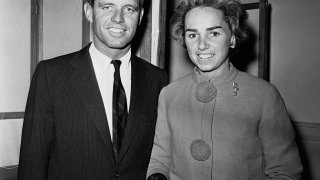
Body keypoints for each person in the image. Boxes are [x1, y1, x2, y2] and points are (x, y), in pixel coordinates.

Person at [147, 0, 302, 179]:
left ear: (233, 38)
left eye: (213, 33)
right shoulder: (169, 94)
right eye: (192, 35)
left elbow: (284, 172)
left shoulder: (265, 95)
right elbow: (159, 159)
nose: (202, 45)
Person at [17, 0, 168, 179]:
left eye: (129, 9)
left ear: (140, 16)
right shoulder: (51, 75)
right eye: (107, 7)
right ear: (89, 12)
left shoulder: (158, 79)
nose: (118, 18)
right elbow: (32, 163)